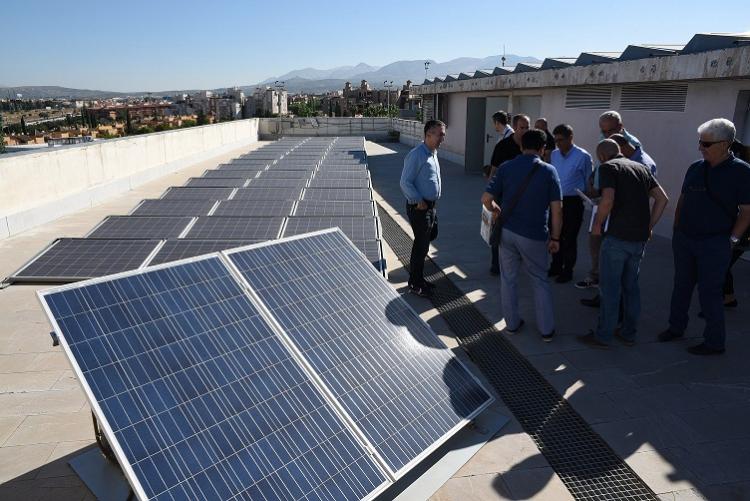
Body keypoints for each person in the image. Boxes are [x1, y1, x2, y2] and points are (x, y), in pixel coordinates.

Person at [658, 118, 750, 355]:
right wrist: (677, 229)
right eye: (700, 142)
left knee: (710, 292)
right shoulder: (695, 168)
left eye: (706, 143)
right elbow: (683, 200)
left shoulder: (741, 171)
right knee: (681, 286)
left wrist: (732, 240)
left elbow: (747, 212)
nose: (701, 147)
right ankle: (675, 327)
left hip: (715, 241)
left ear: (725, 144)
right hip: (685, 239)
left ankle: (714, 342)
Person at [577, 139, 668, 348]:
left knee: (610, 288)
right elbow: (662, 199)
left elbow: (608, 199)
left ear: (601, 156)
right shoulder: (640, 168)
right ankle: (628, 333)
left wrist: (598, 223)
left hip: (617, 237)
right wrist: (649, 225)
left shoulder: (608, 168)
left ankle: (603, 335)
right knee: (631, 287)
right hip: (638, 239)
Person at [482, 129, 562, 342]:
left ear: (521, 146)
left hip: (507, 231)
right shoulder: (549, 171)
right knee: (539, 280)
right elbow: (557, 210)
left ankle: (512, 324)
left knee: (508, 280)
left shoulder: (507, 167)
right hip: (534, 235)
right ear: (543, 149)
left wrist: (497, 210)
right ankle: (546, 330)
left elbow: (486, 198)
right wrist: (555, 238)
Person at [578, 111, 643, 307]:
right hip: (601, 200)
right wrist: (593, 181)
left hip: (615, 209)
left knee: (613, 258)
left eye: (610, 131)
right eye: (603, 131)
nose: (605, 135)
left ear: (620, 127)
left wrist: (600, 218)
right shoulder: (606, 139)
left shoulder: (631, 146)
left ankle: (609, 309)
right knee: (597, 248)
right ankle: (598, 282)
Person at [400, 119, 446, 297]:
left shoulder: (432, 153)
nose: (443, 138)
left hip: (430, 206)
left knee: (429, 237)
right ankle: (415, 283)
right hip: (420, 207)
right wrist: (418, 200)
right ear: (428, 135)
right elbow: (405, 182)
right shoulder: (416, 154)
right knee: (421, 245)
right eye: (440, 134)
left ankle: (418, 278)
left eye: (443, 134)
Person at [548, 124, 593, 283]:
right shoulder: (554, 154)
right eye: (556, 140)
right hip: (555, 201)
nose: (558, 143)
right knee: (555, 234)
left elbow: (589, 181)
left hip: (573, 202)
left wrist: (590, 196)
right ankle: (556, 265)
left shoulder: (583, 156)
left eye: (561, 140)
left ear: (570, 138)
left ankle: (568, 270)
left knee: (569, 237)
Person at [487, 114, 530, 275]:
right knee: (498, 230)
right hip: (503, 196)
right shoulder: (503, 146)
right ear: (514, 127)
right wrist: (490, 193)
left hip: (525, 197)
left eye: (527, 127)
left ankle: (518, 261)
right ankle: (496, 264)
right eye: (522, 127)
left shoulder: (531, 146)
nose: (525, 131)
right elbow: (494, 170)